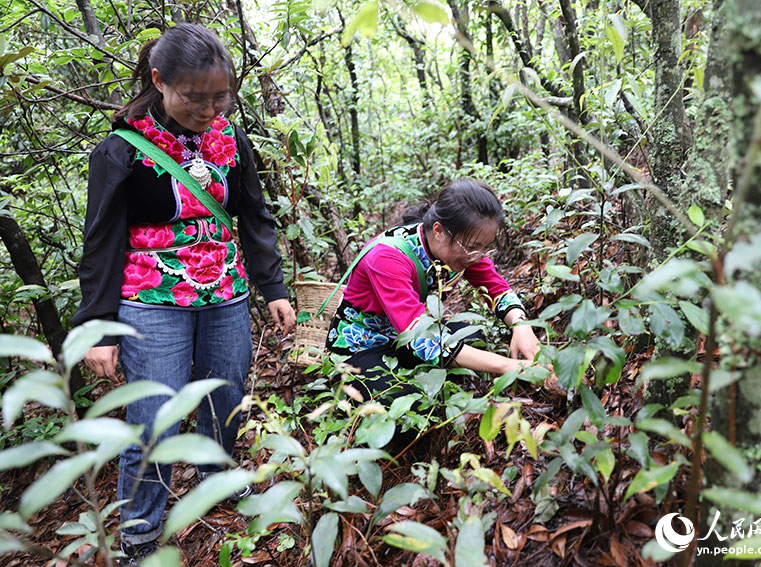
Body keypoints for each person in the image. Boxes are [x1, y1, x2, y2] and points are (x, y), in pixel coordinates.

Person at [73, 24, 295, 565]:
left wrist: (272, 286)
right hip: (150, 298)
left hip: (224, 289)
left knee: (225, 392)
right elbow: (101, 240)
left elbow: (254, 215)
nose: (210, 108)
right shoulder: (122, 149)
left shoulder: (229, 138)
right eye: (196, 97)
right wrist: (99, 324)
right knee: (155, 417)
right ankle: (141, 528)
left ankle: (216, 473)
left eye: (222, 96)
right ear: (160, 81)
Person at [326, 179, 541, 405]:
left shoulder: (464, 248)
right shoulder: (387, 257)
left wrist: (521, 326)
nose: (479, 256)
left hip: (402, 340)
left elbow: (495, 287)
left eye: (486, 247)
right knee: (406, 405)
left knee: (473, 338)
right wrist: (510, 366)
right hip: (362, 348)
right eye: (473, 246)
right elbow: (419, 335)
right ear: (438, 231)